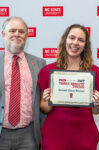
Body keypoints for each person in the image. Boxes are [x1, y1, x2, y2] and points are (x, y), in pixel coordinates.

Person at [38, 24, 99, 150]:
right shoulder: (49, 71)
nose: (75, 42)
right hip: (55, 134)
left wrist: (98, 104)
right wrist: (48, 100)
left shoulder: (94, 72)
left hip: (85, 134)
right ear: (65, 40)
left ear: (85, 45)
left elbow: (96, 111)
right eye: (72, 38)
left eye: (81, 40)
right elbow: (44, 109)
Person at [0, 16, 46, 150]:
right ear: (3, 34)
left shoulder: (39, 64)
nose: (17, 34)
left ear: (26, 36)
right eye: (12, 30)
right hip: (2, 132)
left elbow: (43, 98)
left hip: (29, 134)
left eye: (21, 31)